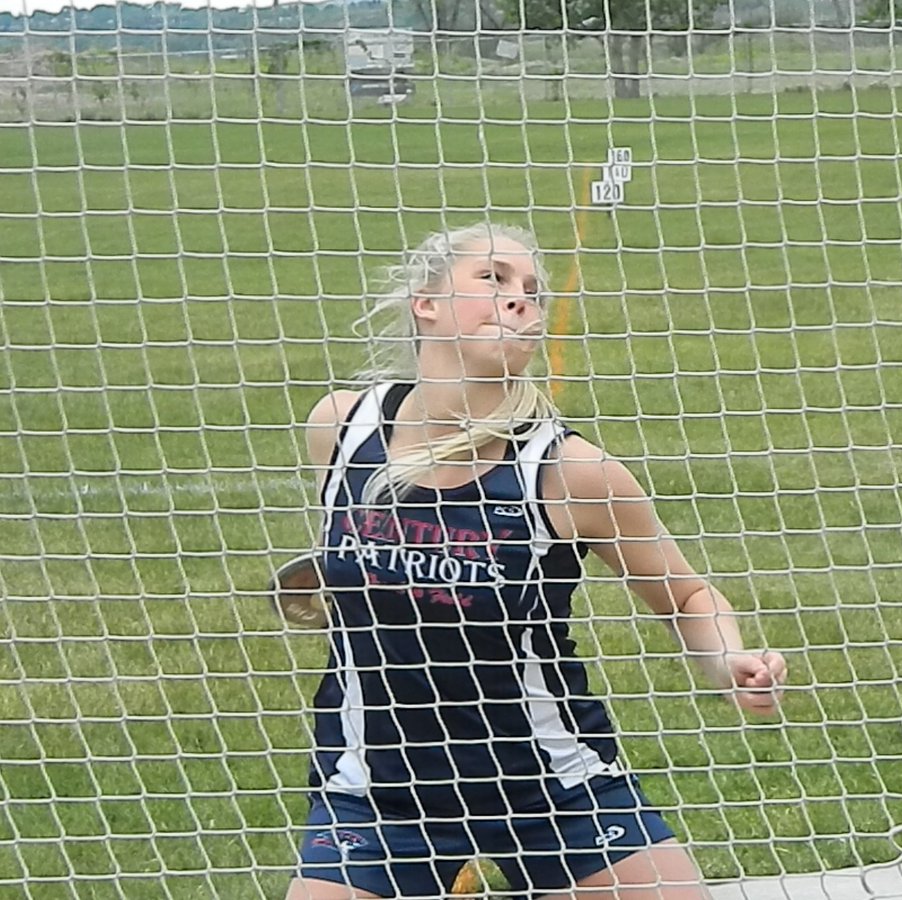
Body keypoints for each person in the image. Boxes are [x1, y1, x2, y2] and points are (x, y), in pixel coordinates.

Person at [286, 222, 788, 900]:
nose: (520, 298)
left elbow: (686, 597)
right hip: (377, 792)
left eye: (532, 290)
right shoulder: (342, 428)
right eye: (493, 279)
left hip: (550, 787)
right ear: (425, 303)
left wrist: (730, 663)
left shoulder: (568, 472)